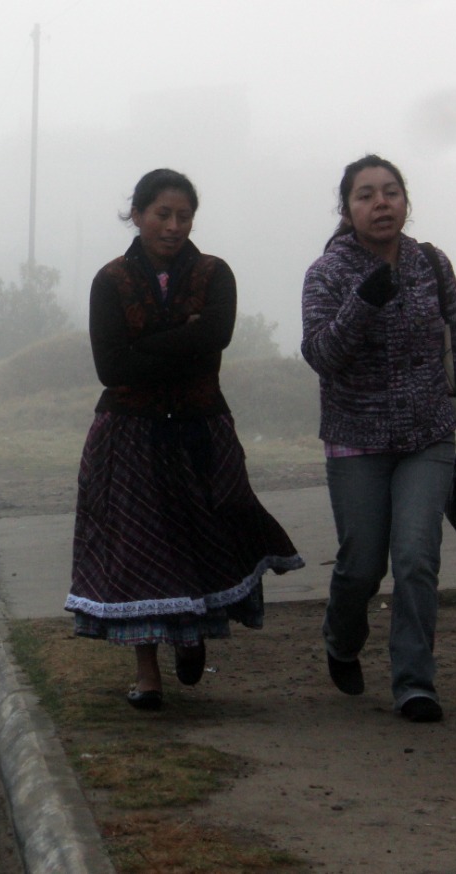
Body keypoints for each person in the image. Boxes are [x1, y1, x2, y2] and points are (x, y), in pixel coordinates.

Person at [66, 169, 304, 711]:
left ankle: (192, 632)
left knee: (206, 532)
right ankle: (147, 672)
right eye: (162, 214)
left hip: (200, 428)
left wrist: (147, 344)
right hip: (128, 435)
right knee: (137, 549)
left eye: (184, 216)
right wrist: (185, 337)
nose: (173, 226)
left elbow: (215, 336)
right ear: (137, 214)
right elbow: (111, 367)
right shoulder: (110, 281)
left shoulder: (215, 273)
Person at [300, 154, 456, 724]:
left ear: (406, 202)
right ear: (347, 210)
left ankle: (415, 682)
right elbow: (322, 356)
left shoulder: (431, 264)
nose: (380, 203)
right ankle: (341, 638)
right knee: (362, 566)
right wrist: (365, 300)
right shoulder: (328, 273)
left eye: (390, 192)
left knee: (415, 559)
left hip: (427, 436)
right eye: (366, 195)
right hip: (354, 440)